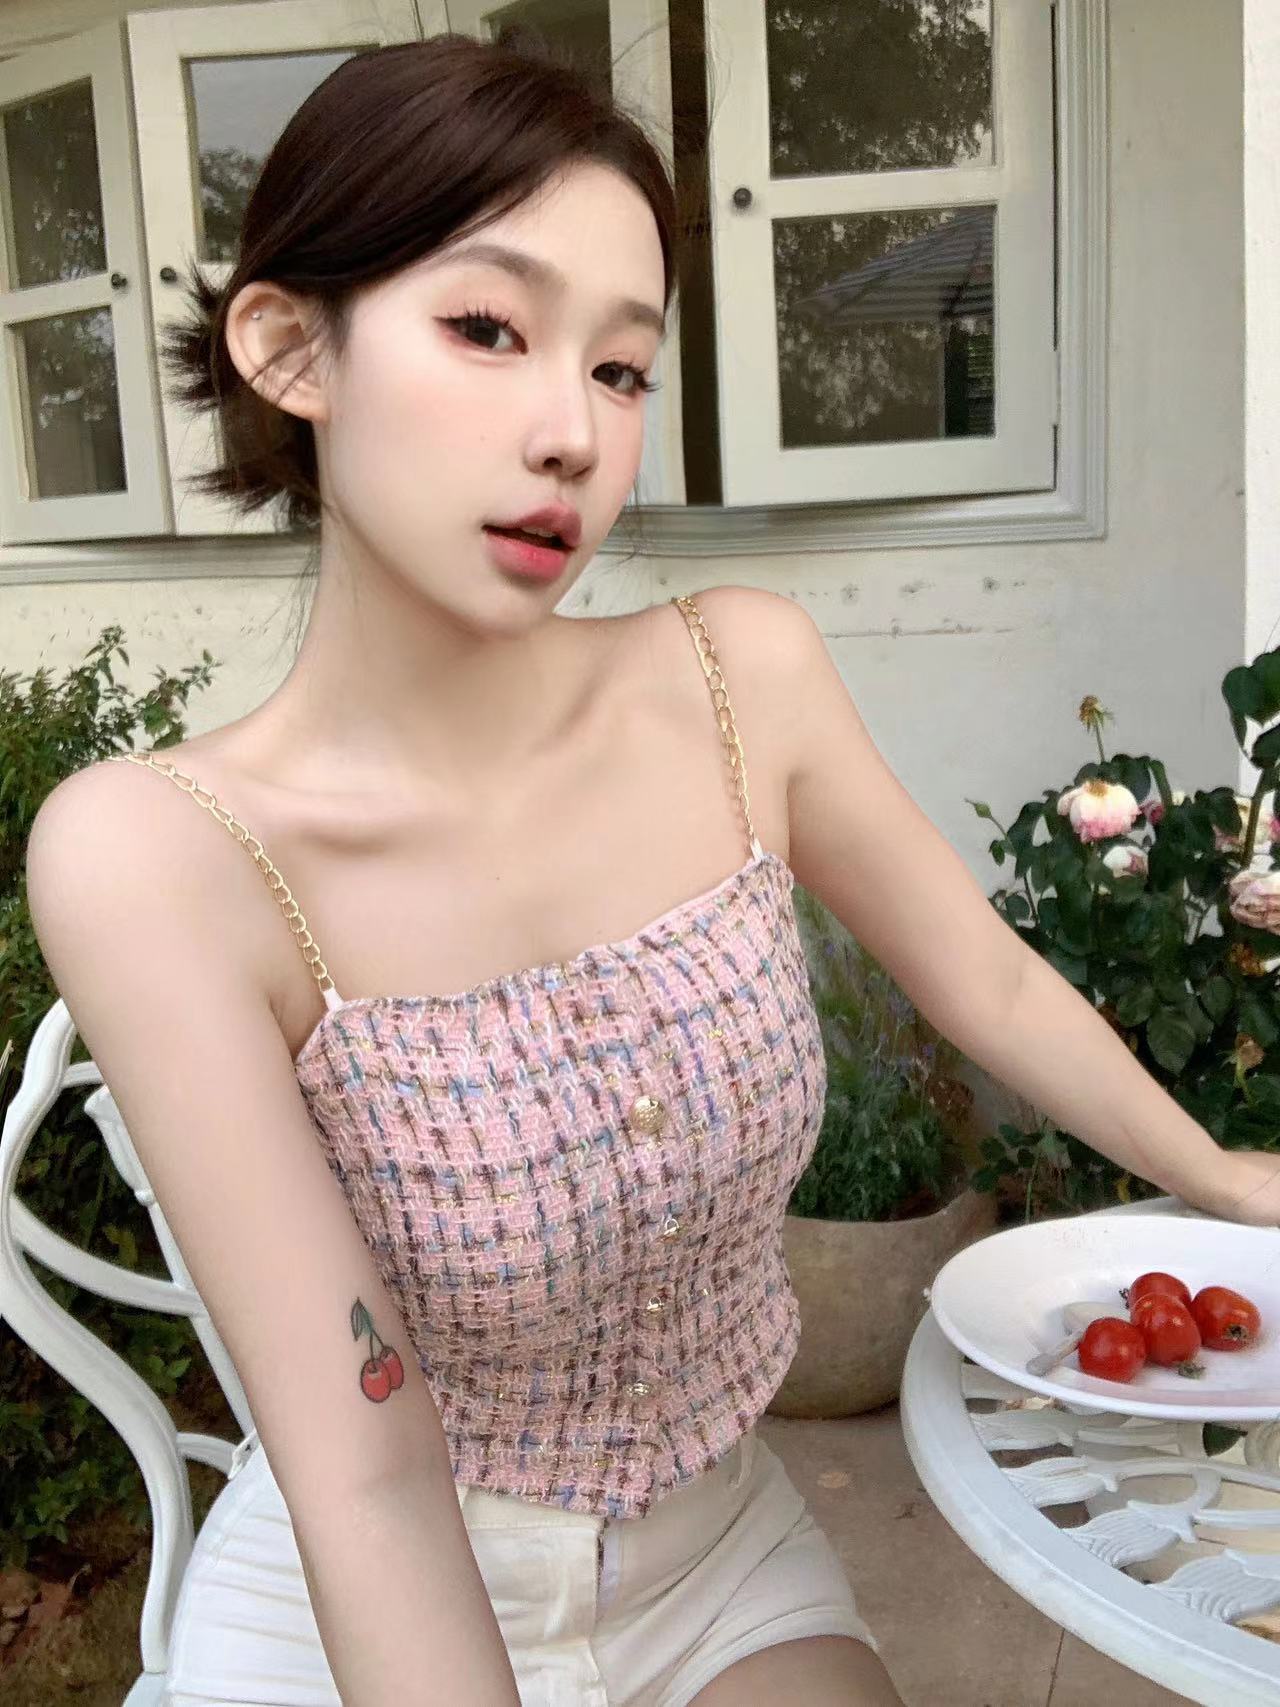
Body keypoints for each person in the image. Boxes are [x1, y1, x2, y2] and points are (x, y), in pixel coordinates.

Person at [24, 30, 1278, 1707]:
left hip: (718, 1550)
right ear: (289, 348)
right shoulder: (164, 857)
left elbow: (979, 975)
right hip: (370, 1583)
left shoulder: (737, 678)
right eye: (487, 328)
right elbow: (366, 1469)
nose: (573, 434)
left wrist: (1222, 1176)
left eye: (621, 369)